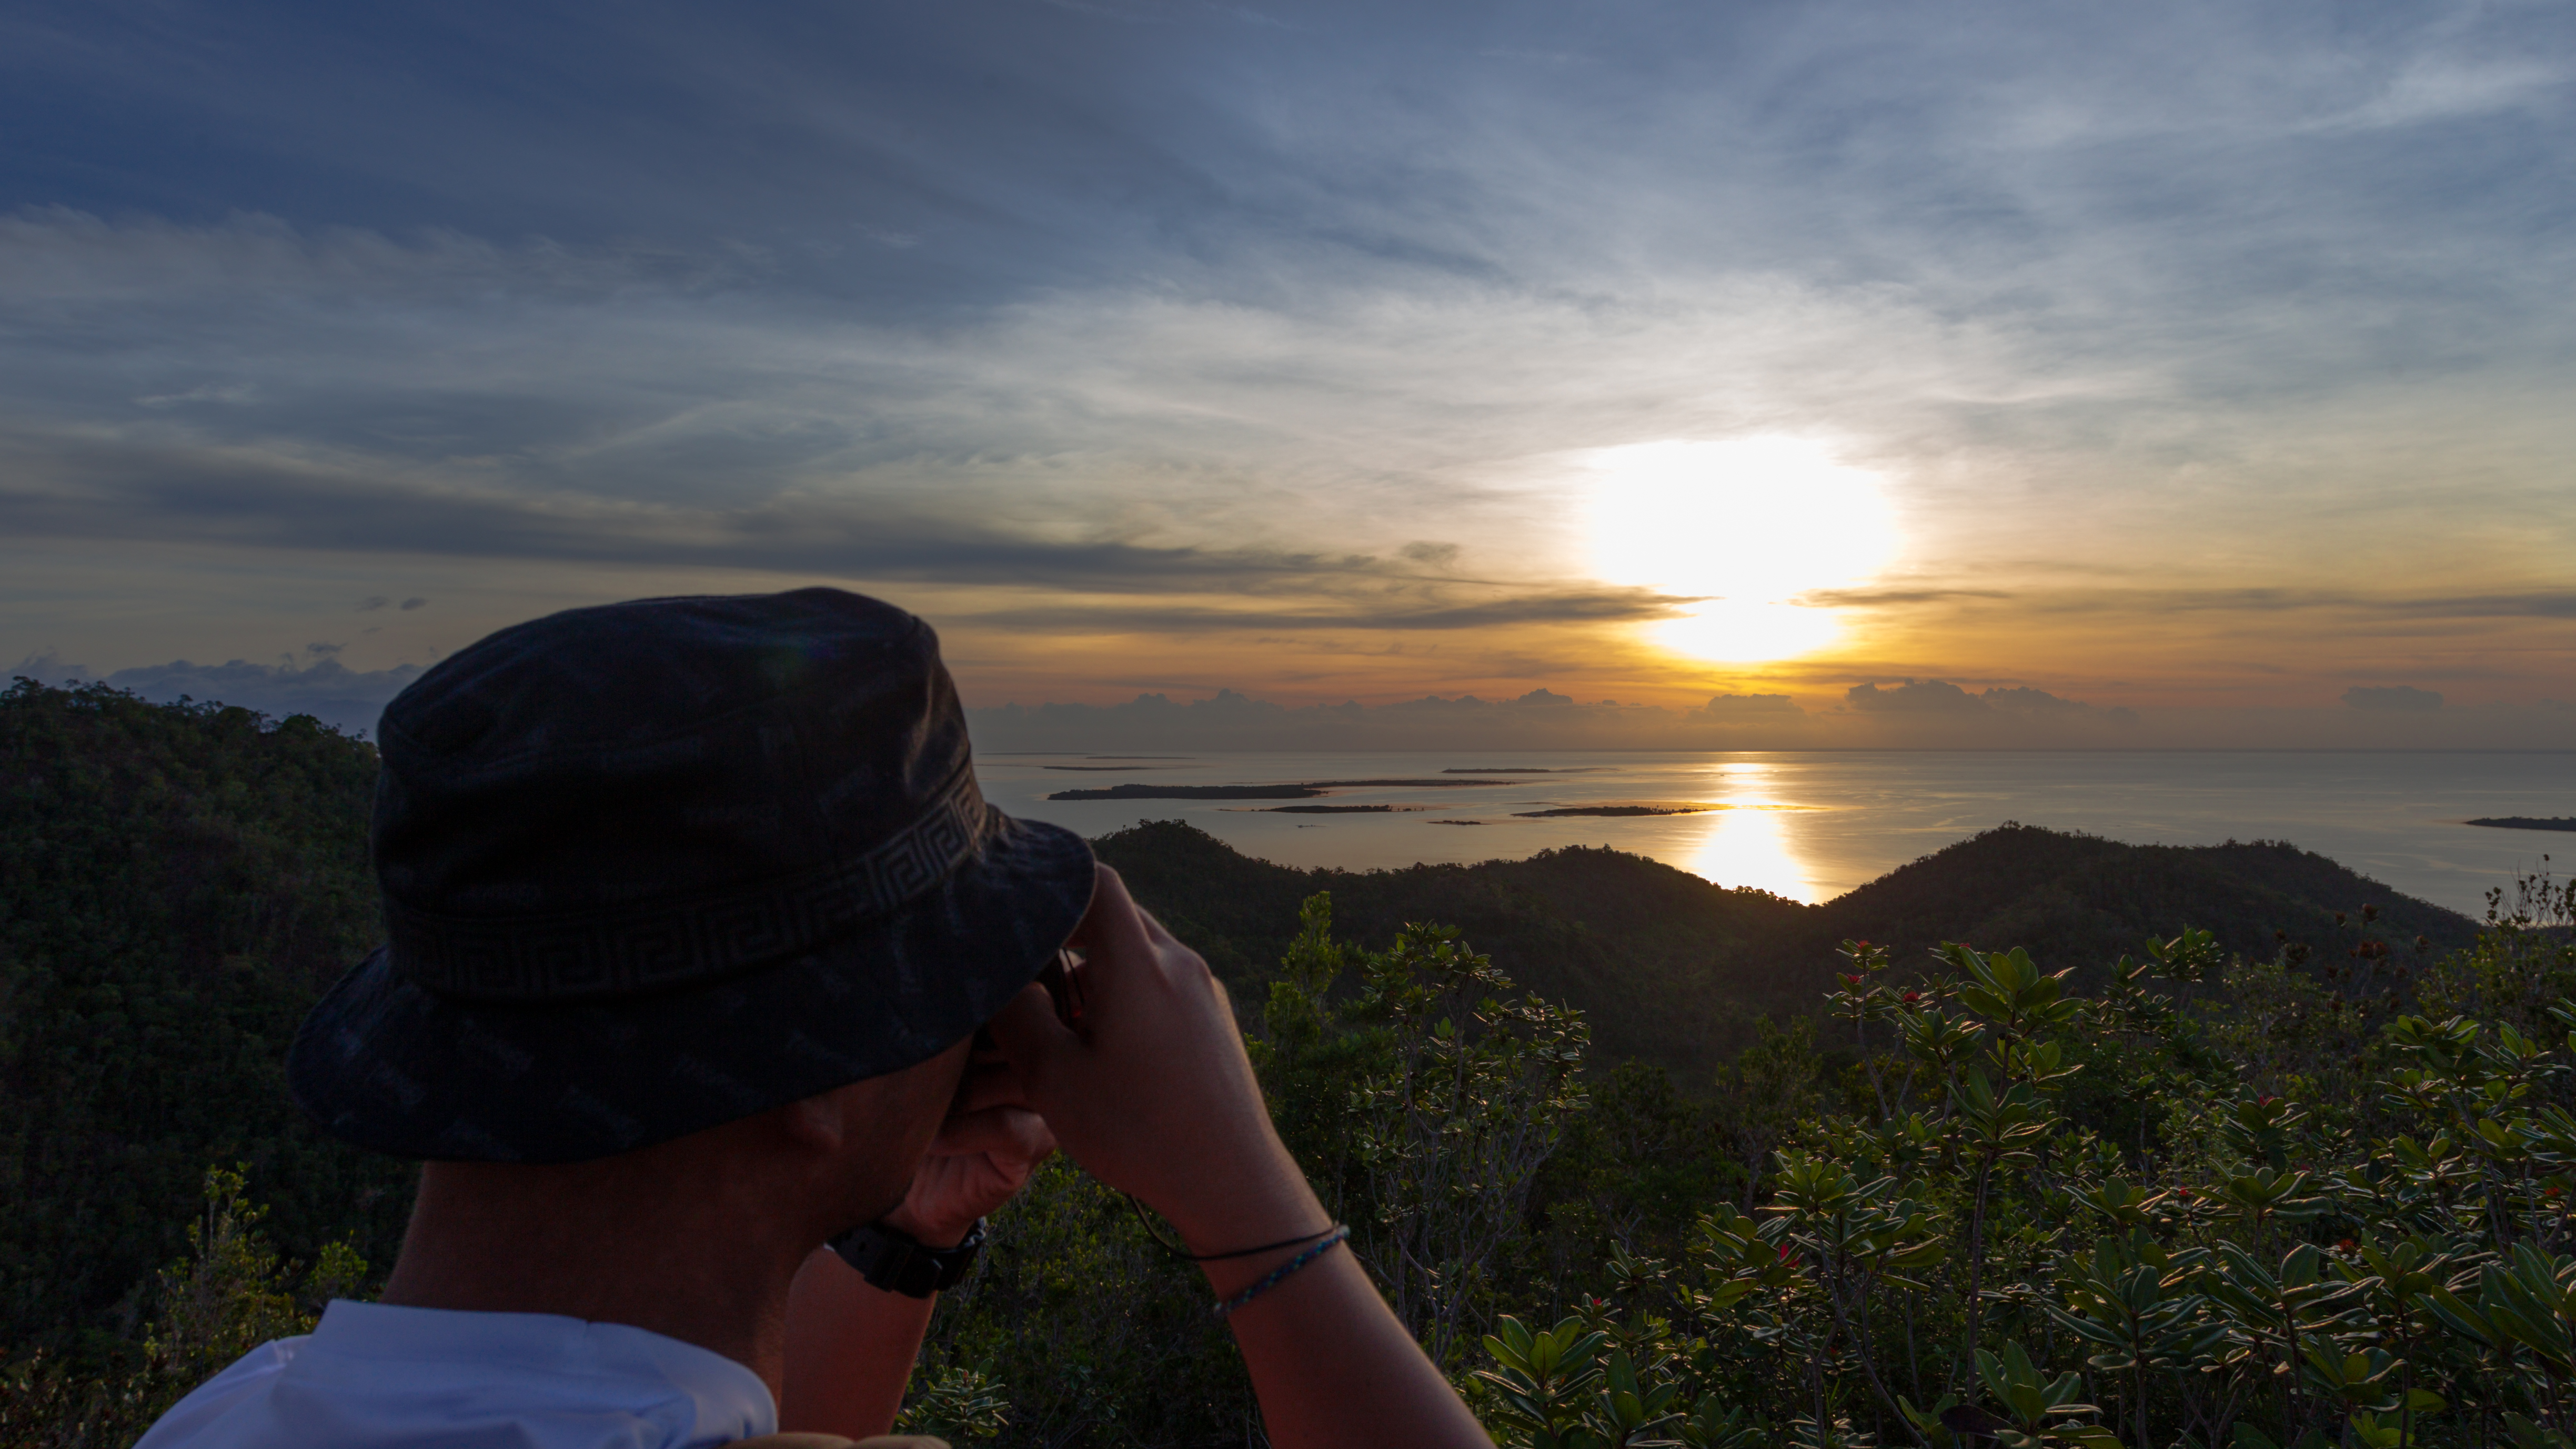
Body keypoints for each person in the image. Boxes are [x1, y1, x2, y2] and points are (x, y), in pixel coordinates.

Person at [134, 588, 1491, 1449]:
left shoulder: (240, 1408)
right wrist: (1245, 1193)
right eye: (947, 979)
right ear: (817, 1074)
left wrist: (904, 1230)